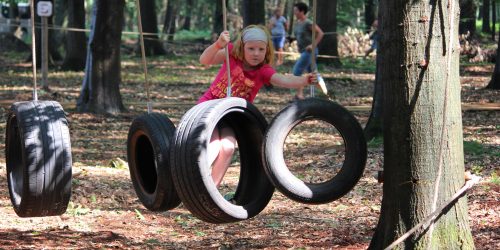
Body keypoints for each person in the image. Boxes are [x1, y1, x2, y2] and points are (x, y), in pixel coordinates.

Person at [198, 25, 317, 187]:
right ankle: (194, 182)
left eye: (261, 49)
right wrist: (218, 44)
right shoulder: (231, 53)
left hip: (231, 116)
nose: (256, 53)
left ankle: (210, 191)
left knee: (227, 148)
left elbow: (284, 80)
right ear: (243, 47)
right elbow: (204, 60)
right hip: (209, 107)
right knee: (212, 146)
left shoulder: (263, 71)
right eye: (251, 48)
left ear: (267, 51)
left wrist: (304, 80)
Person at [291, 2, 324, 101]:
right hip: (303, 51)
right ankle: (326, 94)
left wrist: (312, 45)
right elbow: (300, 36)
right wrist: (292, 39)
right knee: (314, 74)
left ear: (302, 11)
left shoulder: (308, 22)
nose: (294, 13)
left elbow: (320, 33)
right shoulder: (297, 23)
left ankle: (299, 95)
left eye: (296, 11)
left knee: (297, 71)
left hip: (310, 52)